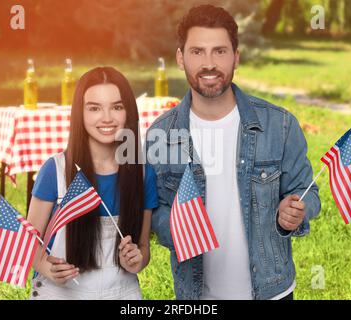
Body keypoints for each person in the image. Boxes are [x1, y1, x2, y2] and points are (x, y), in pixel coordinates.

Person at [146, 5, 321, 300]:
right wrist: (177, 228)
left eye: (220, 51)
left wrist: (296, 211)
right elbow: (153, 209)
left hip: (271, 292)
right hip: (197, 296)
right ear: (180, 58)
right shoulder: (160, 134)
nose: (209, 63)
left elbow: (307, 192)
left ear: (236, 57)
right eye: (197, 51)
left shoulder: (279, 125)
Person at [27, 66, 158, 299]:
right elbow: (29, 242)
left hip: (121, 291)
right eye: (94, 108)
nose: (107, 118)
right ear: (80, 113)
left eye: (117, 107)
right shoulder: (55, 171)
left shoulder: (143, 173)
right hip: (61, 292)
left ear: (129, 111)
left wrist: (138, 260)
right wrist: (47, 267)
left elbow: (143, 247)